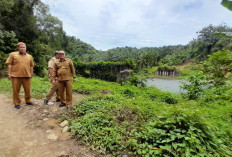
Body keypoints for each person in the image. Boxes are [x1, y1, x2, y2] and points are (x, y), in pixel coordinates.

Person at [6, 42, 34, 109]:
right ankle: (17, 103)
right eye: (21, 47)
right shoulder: (12, 54)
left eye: (24, 47)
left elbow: (31, 66)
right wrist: (9, 74)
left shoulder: (29, 56)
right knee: (16, 90)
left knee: (28, 89)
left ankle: (28, 100)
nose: (22, 48)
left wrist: (31, 74)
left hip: (27, 75)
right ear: (18, 48)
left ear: (26, 48)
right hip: (15, 75)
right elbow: (9, 64)